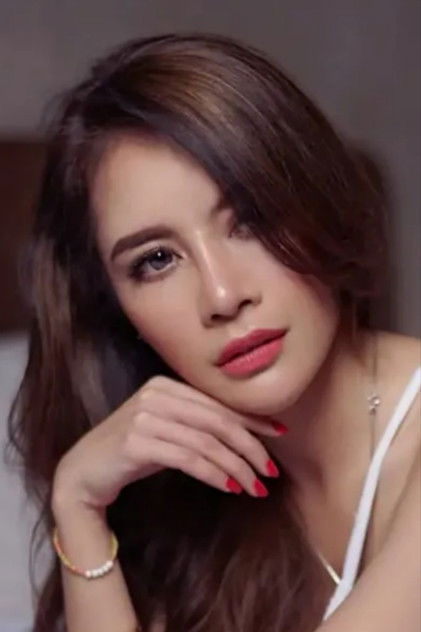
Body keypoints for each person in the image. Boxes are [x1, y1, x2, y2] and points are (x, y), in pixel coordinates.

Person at [6, 32, 420, 632]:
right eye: (157, 260)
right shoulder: (184, 504)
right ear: (117, 310)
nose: (224, 296)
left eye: (249, 220)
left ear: (317, 201)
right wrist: (78, 508)